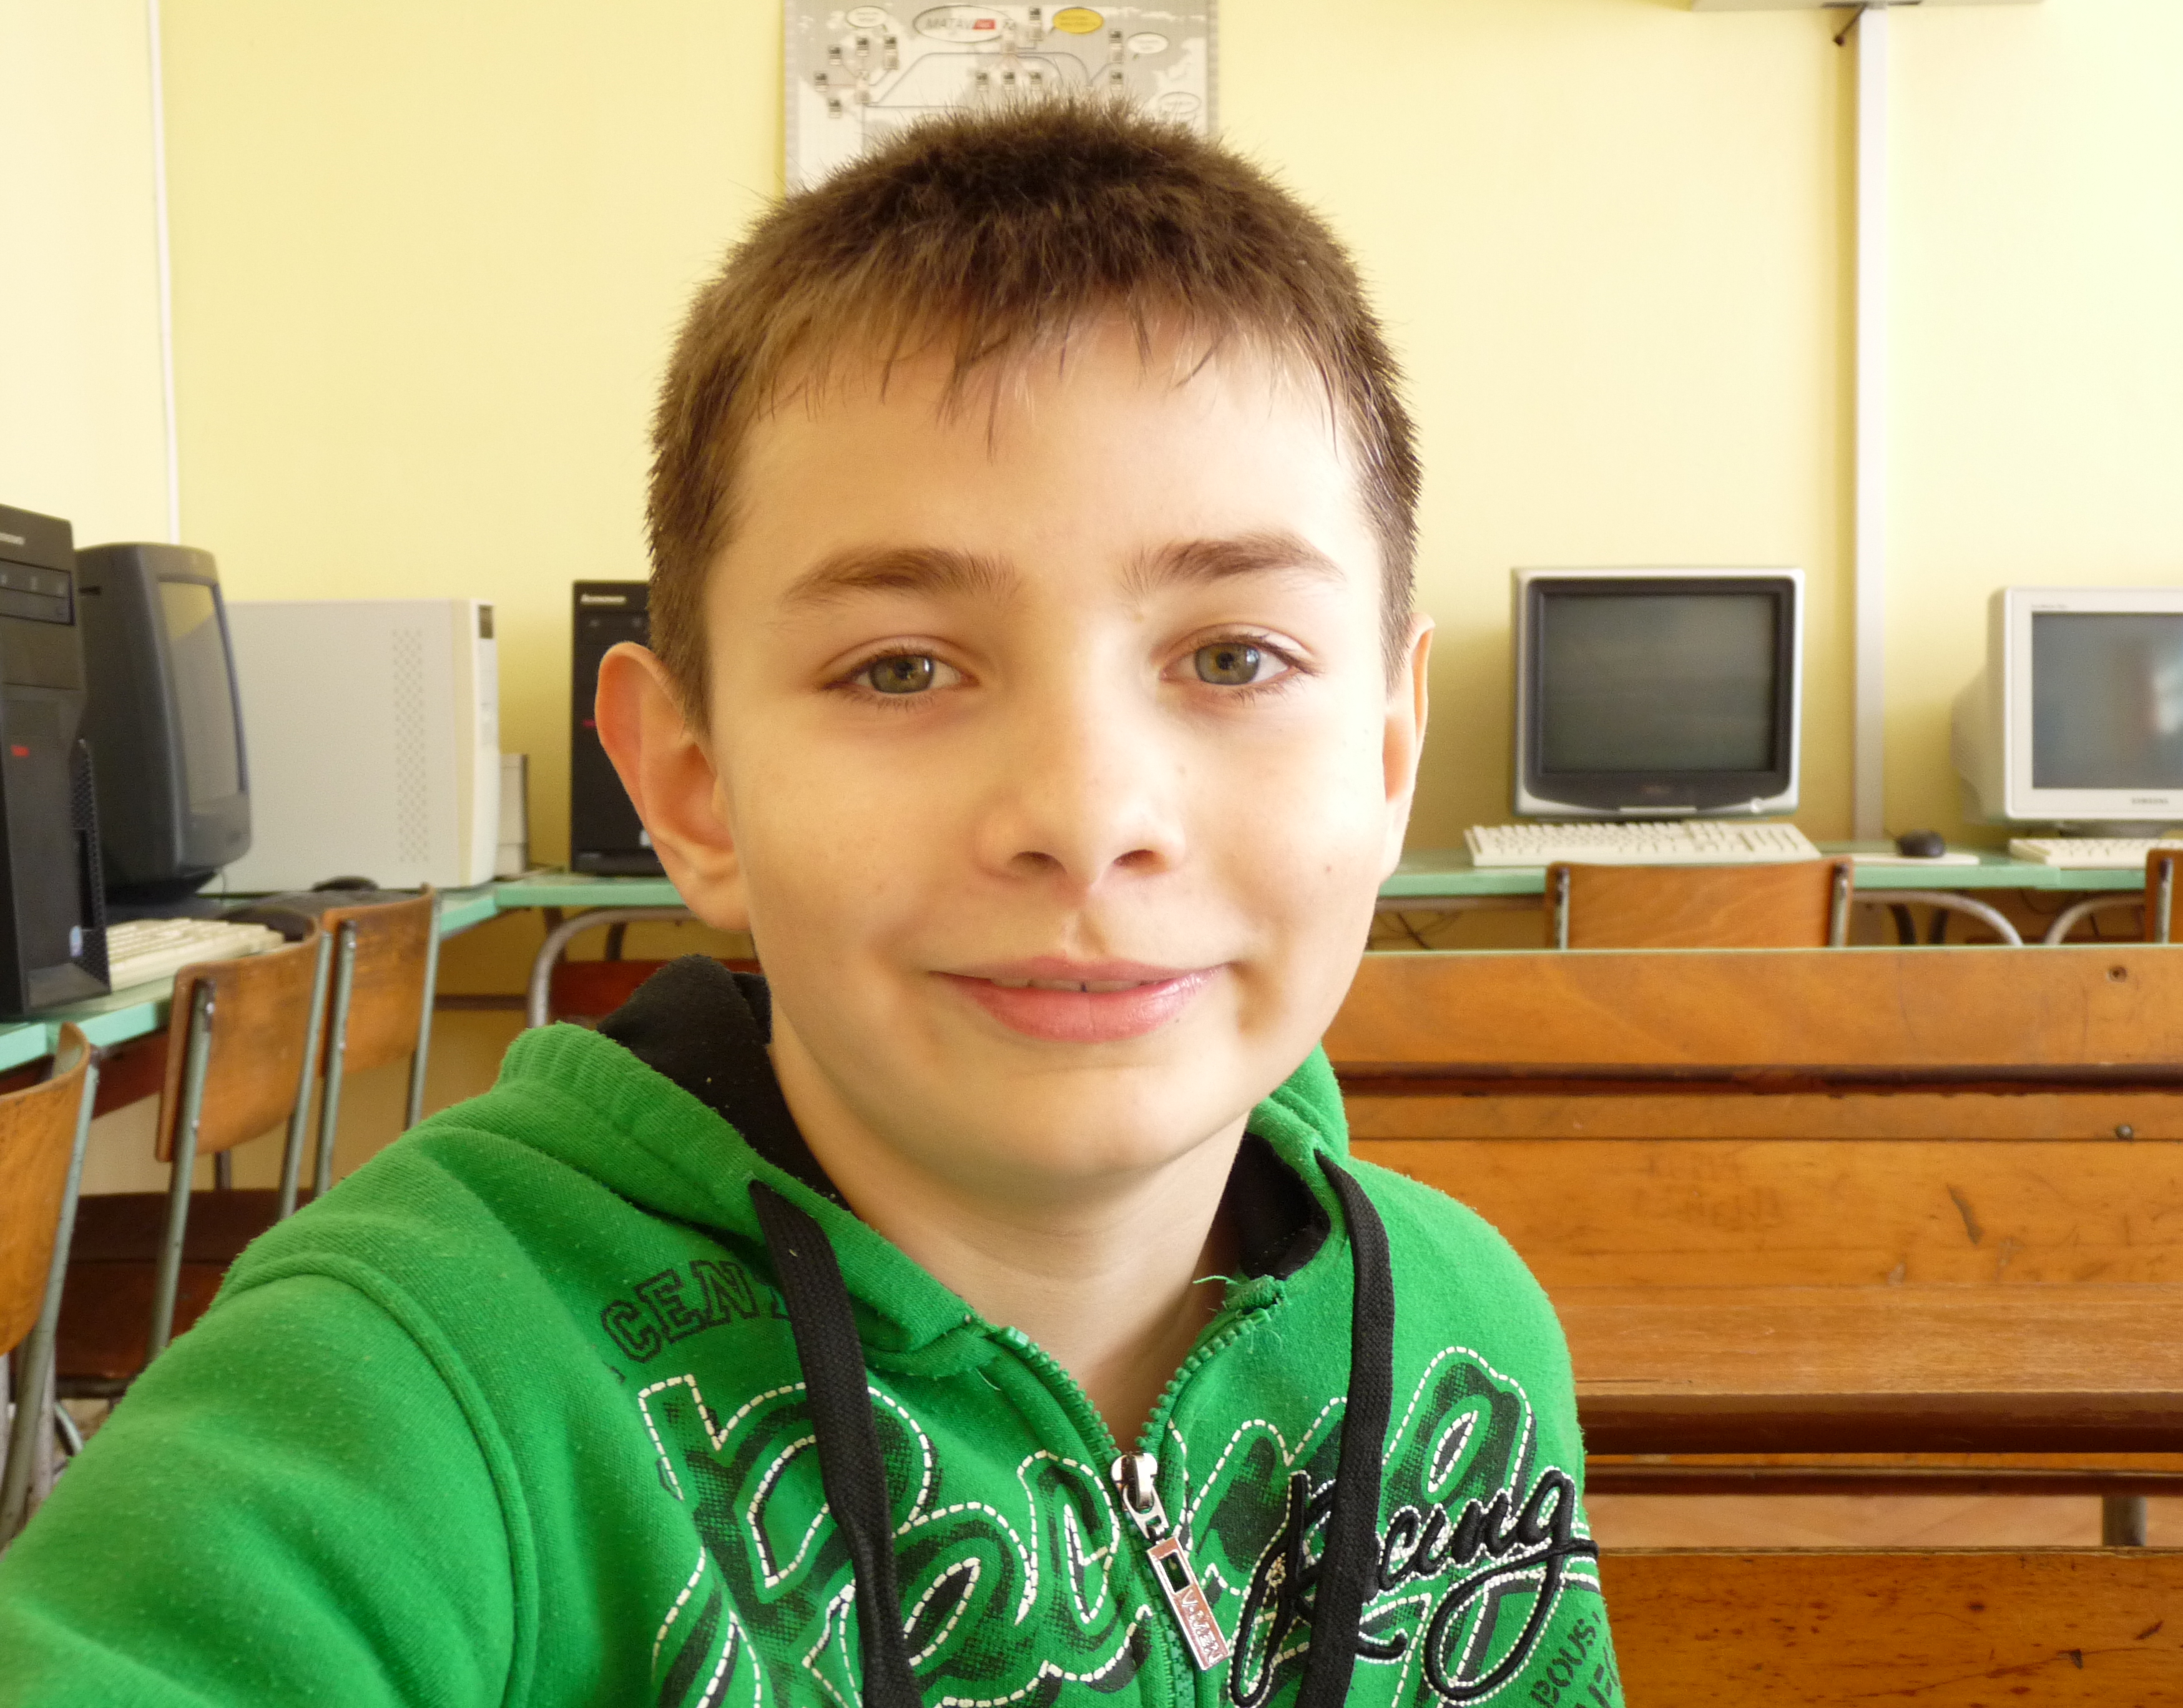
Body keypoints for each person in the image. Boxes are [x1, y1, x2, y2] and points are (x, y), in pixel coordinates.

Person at [0, 101, 1620, 1707]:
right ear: (692, 785)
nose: (1086, 819)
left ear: (1389, 754)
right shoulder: (414, 1390)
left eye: (1235, 656)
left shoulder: (1465, 1332)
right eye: (901, 668)